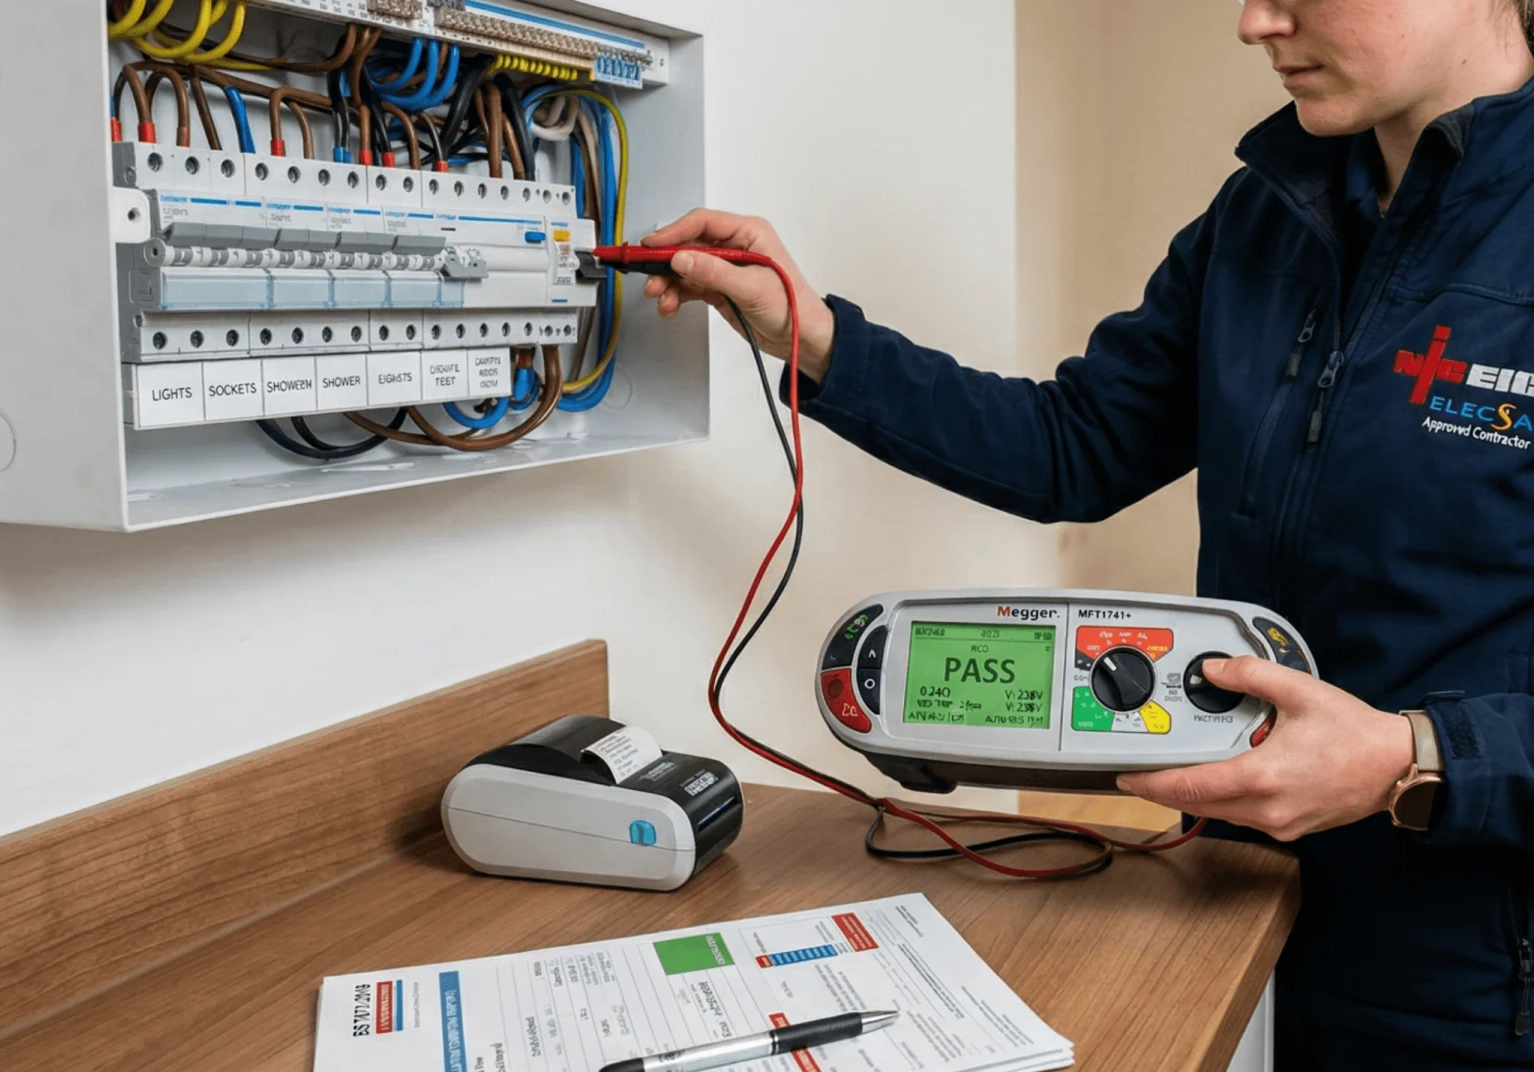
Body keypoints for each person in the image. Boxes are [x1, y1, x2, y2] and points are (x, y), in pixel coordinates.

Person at [637, 0, 1534, 1067]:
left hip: (1475, 982)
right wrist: (812, 336)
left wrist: (1412, 756)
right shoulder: (1265, 216)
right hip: (1235, 907)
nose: (1256, 20)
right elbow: (1075, 444)